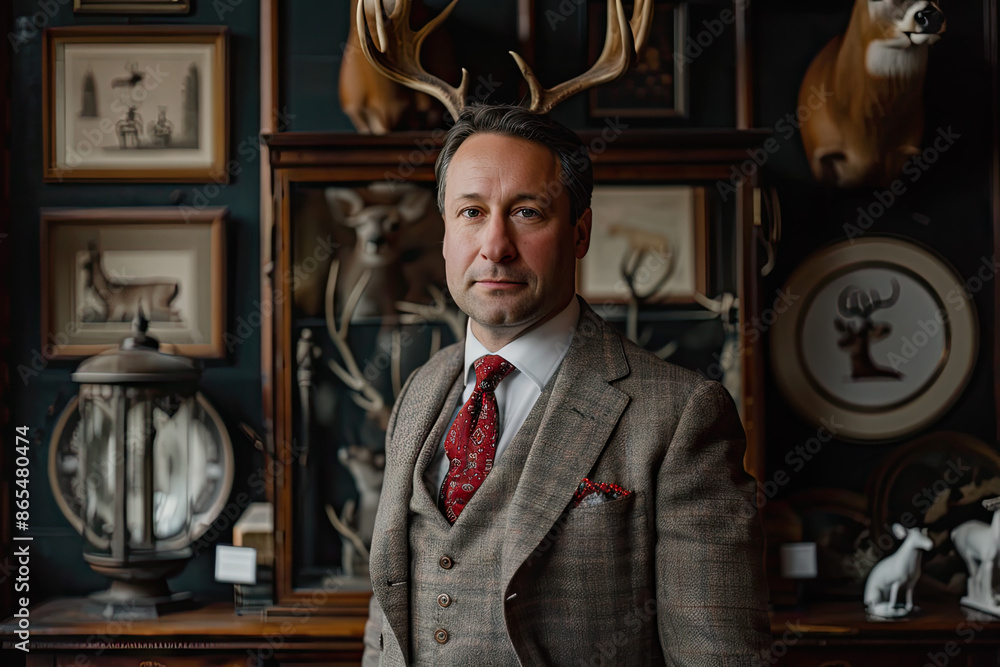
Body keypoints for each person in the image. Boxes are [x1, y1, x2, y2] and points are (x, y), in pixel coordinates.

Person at [361, 104, 771, 666]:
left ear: (579, 233)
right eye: (472, 212)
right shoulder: (419, 390)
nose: (495, 245)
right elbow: (385, 622)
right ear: (444, 235)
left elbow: (719, 657)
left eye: (527, 212)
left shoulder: (681, 415)